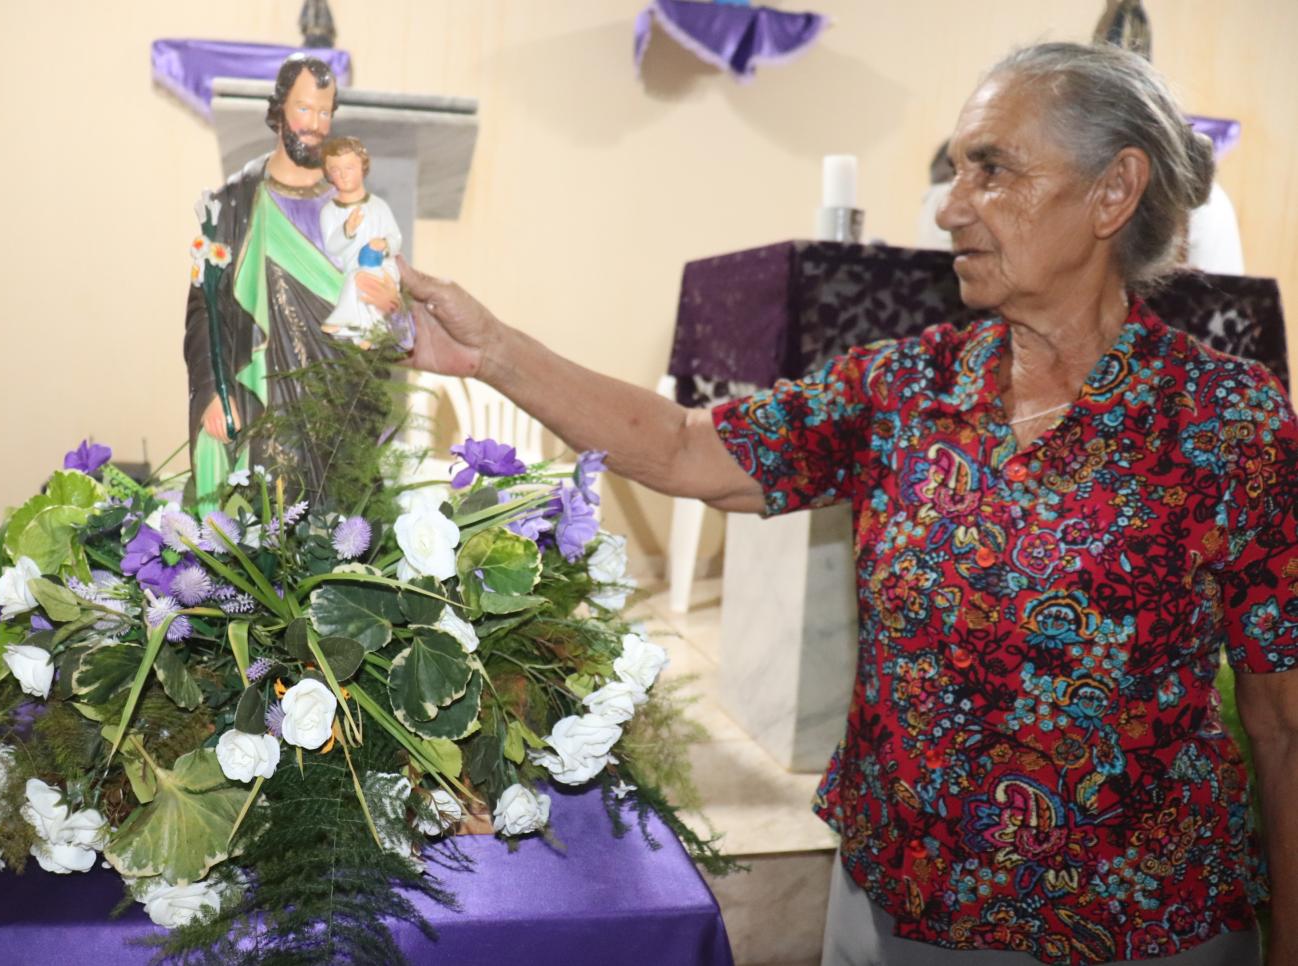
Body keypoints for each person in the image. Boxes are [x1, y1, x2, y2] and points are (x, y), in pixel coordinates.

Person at [398, 42, 1297, 965]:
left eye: (991, 170)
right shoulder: (907, 387)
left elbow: (1280, 719)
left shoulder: (1227, 422)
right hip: (898, 910)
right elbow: (681, 446)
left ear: (1114, 192)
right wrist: (490, 352)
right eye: (955, 171)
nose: (951, 207)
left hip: (1139, 922)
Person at [183, 54, 398, 505]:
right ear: (279, 108)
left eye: (325, 112)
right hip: (263, 405)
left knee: (336, 534)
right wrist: (211, 392)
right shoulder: (235, 205)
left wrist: (392, 309)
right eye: (304, 109)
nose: (315, 125)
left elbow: (387, 308)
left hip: (337, 407)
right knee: (263, 532)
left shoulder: (356, 210)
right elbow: (204, 308)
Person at [318, 136, 405, 347]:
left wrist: (384, 244)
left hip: (383, 267)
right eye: (335, 170)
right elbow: (331, 247)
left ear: (362, 167)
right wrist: (347, 230)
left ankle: (348, 324)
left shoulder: (378, 206)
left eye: (349, 167)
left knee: (361, 282)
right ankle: (366, 336)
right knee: (356, 283)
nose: (343, 175)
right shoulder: (330, 211)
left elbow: (396, 239)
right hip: (350, 270)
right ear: (328, 174)